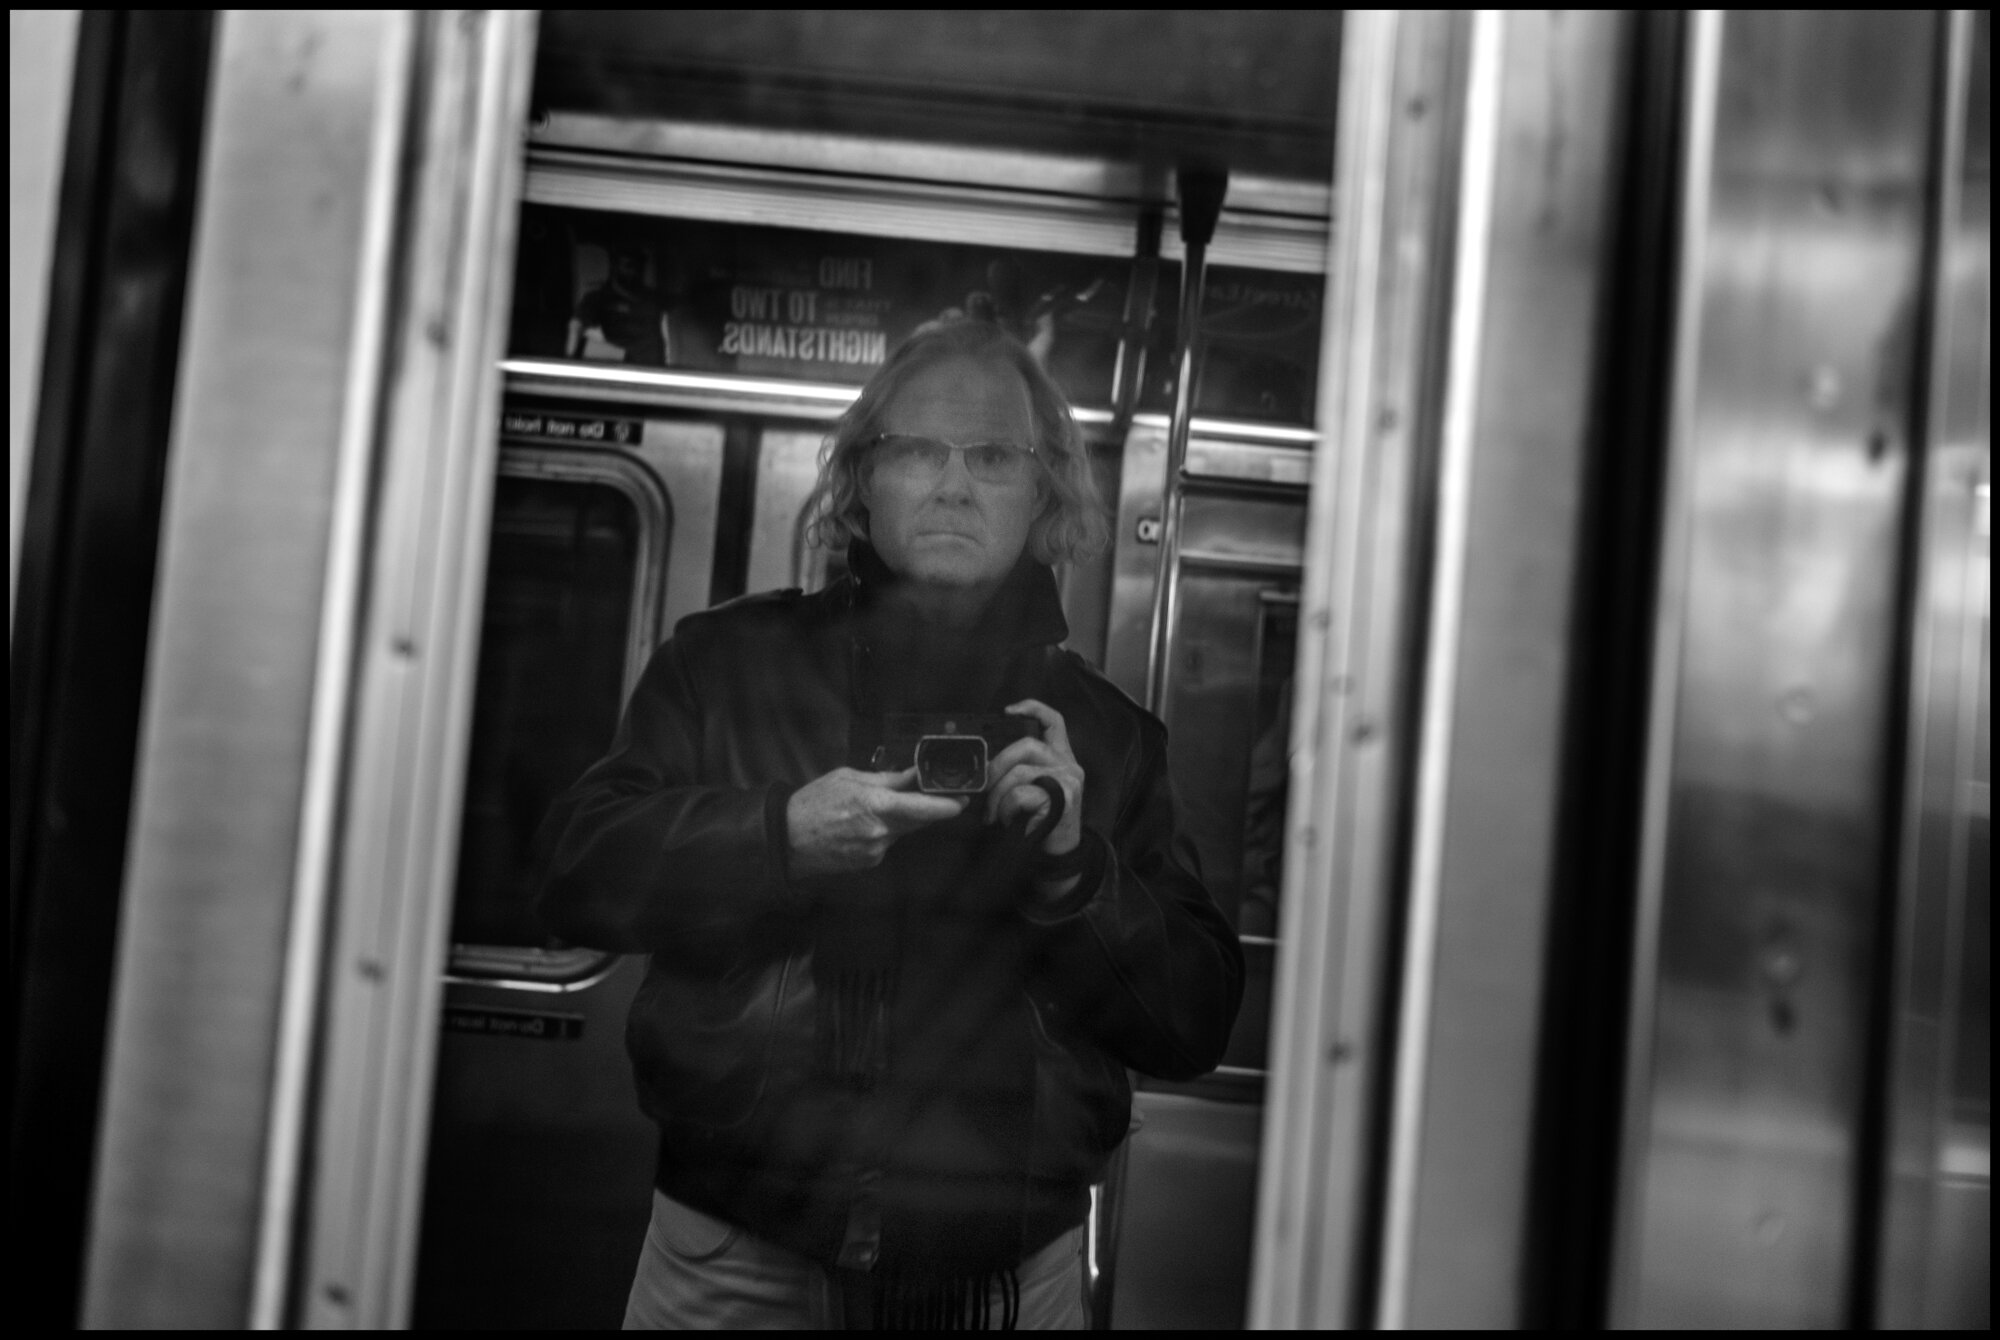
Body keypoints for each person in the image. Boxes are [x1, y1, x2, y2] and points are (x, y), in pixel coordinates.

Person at [535, 315, 1244, 1329]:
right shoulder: (723, 663)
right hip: (737, 1241)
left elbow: (1192, 1021)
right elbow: (573, 871)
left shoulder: (1108, 738)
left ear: (1044, 490)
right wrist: (778, 836)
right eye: (916, 449)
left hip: (1005, 1267)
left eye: (992, 455)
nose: (953, 484)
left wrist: (1072, 872)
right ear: (862, 480)